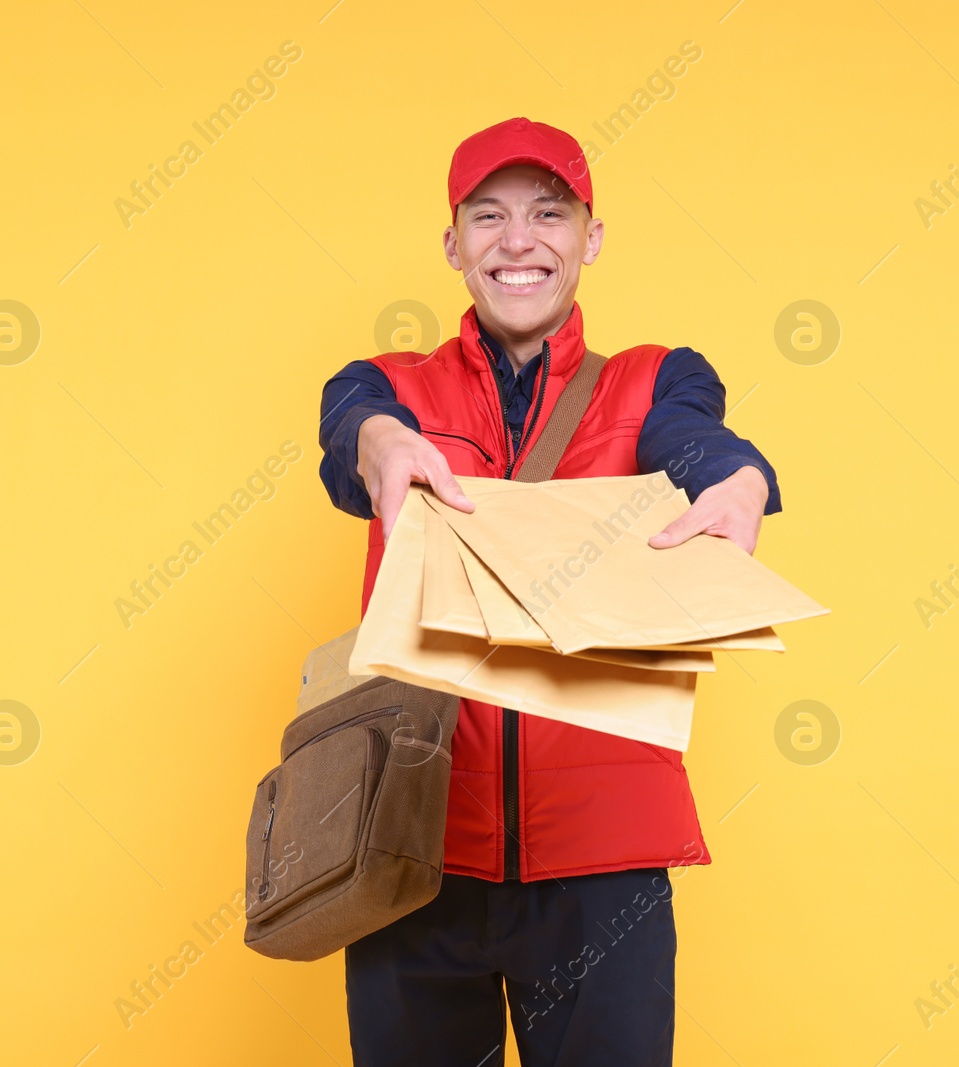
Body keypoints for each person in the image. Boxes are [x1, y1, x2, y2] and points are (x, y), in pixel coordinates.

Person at [317, 116, 783, 1067]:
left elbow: (698, 442)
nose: (517, 241)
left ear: (590, 238)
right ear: (452, 245)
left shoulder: (655, 382)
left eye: (547, 214)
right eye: (487, 217)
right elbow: (350, 428)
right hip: (414, 849)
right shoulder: (388, 387)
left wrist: (738, 481)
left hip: (605, 866)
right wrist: (378, 441)